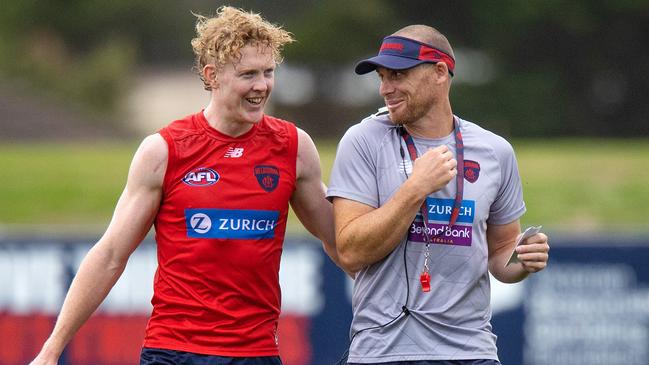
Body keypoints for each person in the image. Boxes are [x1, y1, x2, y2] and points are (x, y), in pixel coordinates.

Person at [30, 6, 340, 365]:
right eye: (248, 74)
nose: (262, 85)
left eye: (269, 72)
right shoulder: (164, 150)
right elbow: (111, 255)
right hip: (174, 352)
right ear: (212, 75)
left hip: (254, 354)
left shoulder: (293, 147)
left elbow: (338, 240)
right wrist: (51, 350)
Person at [327, 25, 550, 364]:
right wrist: (415, 188)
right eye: (382, 77)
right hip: (384, 352)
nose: (386, 88)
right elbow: (351, 251)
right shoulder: (362, 141)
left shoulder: (495, 150)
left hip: (472, 352)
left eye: (398, 75)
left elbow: (501, 252)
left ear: (440, 73)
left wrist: (523, 259)